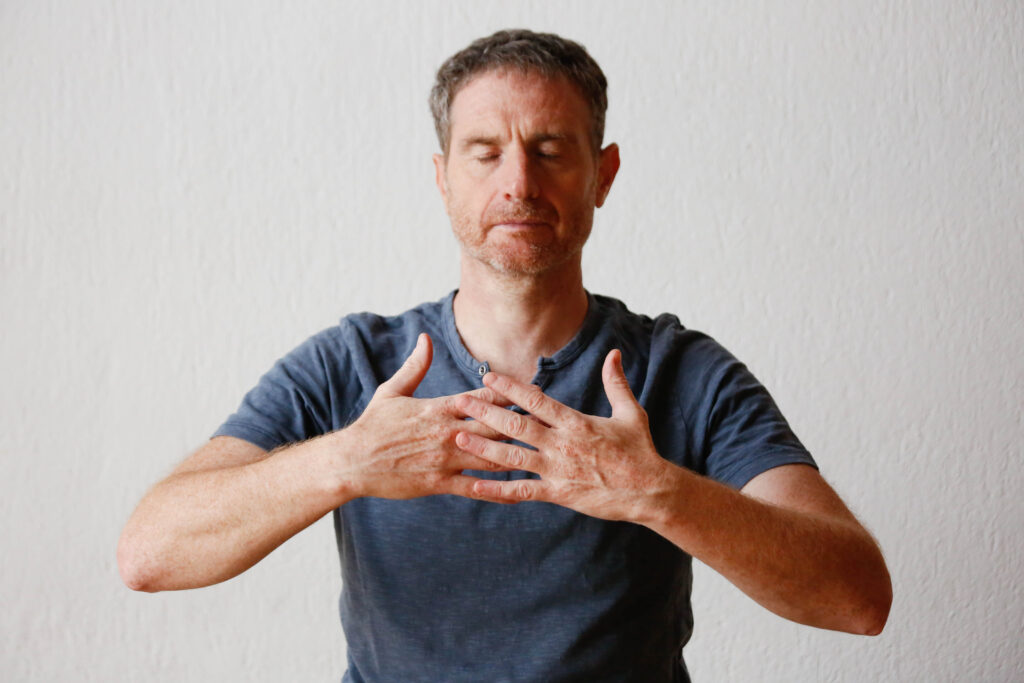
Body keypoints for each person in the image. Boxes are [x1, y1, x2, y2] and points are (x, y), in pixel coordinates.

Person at [118, 29, 891, 682]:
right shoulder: (351, 365)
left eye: (550, 150)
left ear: (603, 175)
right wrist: (345, 461)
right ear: (442, 178)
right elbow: (149, 552)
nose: (518, 182)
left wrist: (653, 491)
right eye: (485, 153)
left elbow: (858, 597)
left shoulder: (681, 371)